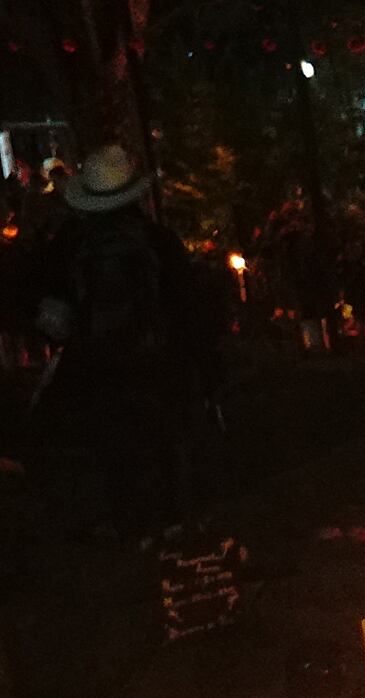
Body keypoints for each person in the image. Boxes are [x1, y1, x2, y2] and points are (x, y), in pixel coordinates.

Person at [31, 144, 224, 542]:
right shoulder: (156, 240)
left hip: (97, 360)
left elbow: (49, 309)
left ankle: (128, 523)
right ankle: (172, 520)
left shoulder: (70, 243)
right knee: (163, 436)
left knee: (114, 442)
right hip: (156, 356)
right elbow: (186, 302)